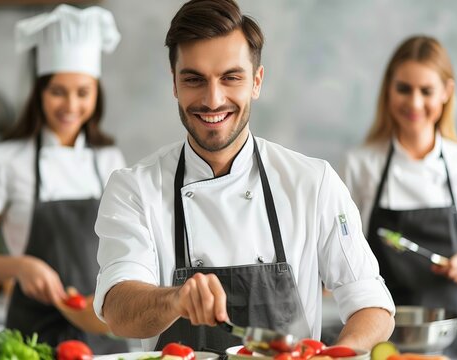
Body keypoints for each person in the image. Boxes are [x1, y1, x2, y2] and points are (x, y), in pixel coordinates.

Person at [93, 0, 395, 353]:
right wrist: (175, 300)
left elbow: (371, 303)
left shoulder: (313, 182)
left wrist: (333, 355)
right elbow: (118, 310)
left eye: (230, 78)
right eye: (194, 79)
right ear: (174, 84)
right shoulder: (134, 188)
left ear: (256, 81)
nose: (212, 99)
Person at [0, 4, 128, 353]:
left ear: (97, 94)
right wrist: (21, 266)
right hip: (31, 340)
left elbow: (126, 248)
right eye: (57, 91)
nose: (70, 106)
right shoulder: (4, 160)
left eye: (83, 92)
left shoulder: (109, 160)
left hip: (102, 334)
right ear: (39, 93)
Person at [340, 35, 457, 359]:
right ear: (388, 89)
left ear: (446, 92)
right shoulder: (360, 164)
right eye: (404, 88)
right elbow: (344, 258)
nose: (414, 103)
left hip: (449, 339)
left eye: (426, 91)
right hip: (382, 337)